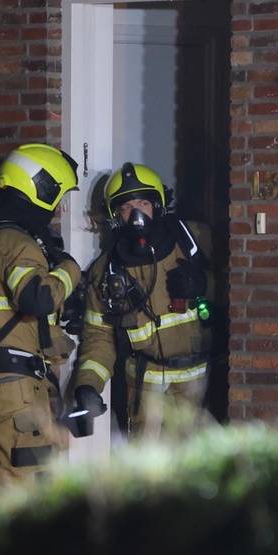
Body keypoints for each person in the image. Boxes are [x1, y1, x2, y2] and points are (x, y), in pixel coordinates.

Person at [0, 143, 83, 501]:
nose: (58, 208)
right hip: (15, 392)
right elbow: (37, 299)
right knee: (28, 500)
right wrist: (69, 271)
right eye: (57, 197)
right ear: (40, 189)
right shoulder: (16, 243)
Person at [70, 162, 213, 436]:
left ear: (158, 206)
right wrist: (87, 387)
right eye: (125, 208)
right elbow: (98, 338)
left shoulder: (193, 240)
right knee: (146, 472)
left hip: (196, 384)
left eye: (143, 203)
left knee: (196, 468)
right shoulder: (106, 271)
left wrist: (204, 284)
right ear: (115, 216)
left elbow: (242, 283)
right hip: (144, 389)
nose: (136, 214)